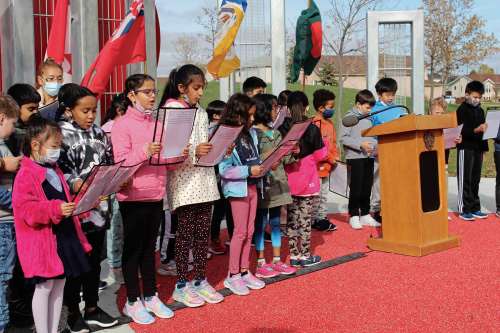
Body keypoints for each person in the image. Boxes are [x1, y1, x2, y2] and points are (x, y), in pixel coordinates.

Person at [112, 74, 181, 324]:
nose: (153, 96)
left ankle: (150, 295)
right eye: (147, 92)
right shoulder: (121, 125)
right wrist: (144, 151)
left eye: (154, 91)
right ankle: (132, 300)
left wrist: (177, 155)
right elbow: (120, 162)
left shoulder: (157, 124)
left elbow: (165, 162)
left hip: (156, 193)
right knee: (133, 250)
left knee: (149, 248)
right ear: (132, 95)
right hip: (133, 196)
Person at [12, 115, 91, 333]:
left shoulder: (54, 170)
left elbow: (64, 198)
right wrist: (54, 209)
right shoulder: (26, 174)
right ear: (35, 145)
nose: (58, 150)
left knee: (59, 285)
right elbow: (27, 210)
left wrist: (78, 208)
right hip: (42, 242)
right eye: (54, 145)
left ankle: (54, 329)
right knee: (45, 286)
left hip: (63, 236)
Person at [159, 64, 223, 307]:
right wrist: (194, 153)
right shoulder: (171, 110)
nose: (200, 93)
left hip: (204, 180)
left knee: (201, 234)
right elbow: (169, 150)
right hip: (184, 181)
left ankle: (200, 279)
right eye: (196, 88)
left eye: (202, 88)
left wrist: (218, 149)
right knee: (185, 234)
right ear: (181, 87)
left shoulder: (201, 111)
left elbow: (203, 143)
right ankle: (181, 285)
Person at [56, 84, 118, 331]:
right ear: (69, 110)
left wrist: (116, 178)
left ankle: (92, 307)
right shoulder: (59, 134)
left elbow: (109, 162)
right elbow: (57, 170)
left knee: (94, 264)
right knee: (75, 266)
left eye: (94, 110)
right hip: (74, 213)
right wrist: (75, 182)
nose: (91, 115)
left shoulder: (100, 132)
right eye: (85, 110)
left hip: (99, 210)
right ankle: (72, 312)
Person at [219, 93, 266, 295]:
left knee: (249, 231)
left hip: (253, 186)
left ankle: (245, 270)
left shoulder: (251, 133)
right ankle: (233, 275)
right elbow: (224, 169)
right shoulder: (226, 135)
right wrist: (248, 171)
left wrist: (262, 167)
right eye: (250, 115)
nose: (253, 119)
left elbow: (254, 159)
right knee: (239, 232)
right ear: (239, 114)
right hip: (238, 188)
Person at [280, 91, 327, 267]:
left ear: (288, 108)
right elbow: (320, 154)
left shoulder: (282, 128)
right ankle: (305, 254)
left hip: (289, 179)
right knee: (305, 219)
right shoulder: (312, 127)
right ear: (307, 107)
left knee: (292, 218)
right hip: (308, 180)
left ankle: (294, 254)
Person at [252, 94, 297, 278]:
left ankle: (277, 260)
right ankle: (261, 262)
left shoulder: (277, 132)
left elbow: (285, 159)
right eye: (273, 108)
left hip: (279, 183)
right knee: (261, 223)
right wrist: (268, 156)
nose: (276, 111)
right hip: (264, 185)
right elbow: (252, 160)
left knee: (276, 222)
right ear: (263, 110)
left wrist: (292, 151)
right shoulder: (254, 133)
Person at [340, 90, 381, 230]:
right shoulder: (348, 118)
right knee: (356, 188)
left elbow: (373, 137)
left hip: (369, 157)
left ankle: (364, 214)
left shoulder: (370, 118)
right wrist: (360, 145)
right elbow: (343, 138)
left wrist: (374, 147)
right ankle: (353, 215)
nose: (370, 110)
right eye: (367, 107)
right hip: (355, 157)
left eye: (371, 108)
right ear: (358, 104)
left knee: (366, 186)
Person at [370, 78, 407, 222]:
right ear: (379, 94)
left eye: (393, 94)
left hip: (398, 150)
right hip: (380, 150)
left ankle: (394, 207)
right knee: (379, 182)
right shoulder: (373, 110)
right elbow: (371, 131)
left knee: (395, 181)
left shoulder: (399, 109)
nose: (391, 97)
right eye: (387, 94)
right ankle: (377, 209)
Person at [0, 96, 22, 333]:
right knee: (2, 280)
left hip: (7, 221)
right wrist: (18, 202)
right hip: (3, 223)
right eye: (12, 123)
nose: (14, 129)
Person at [101, 93, 127, 285]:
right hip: (113, 185)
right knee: (115, 228)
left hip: (125, 183)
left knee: (123, 228)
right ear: (119, 110)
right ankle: (115, 267)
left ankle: (121, 265)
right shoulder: (108, 130)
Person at [456, 81, 488, 221]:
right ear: (467, 94)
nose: (477, 100)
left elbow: (483, 132)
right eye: (475, 97)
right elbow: (461, 130)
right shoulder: (461, 110)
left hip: (478, 149)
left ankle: (475, 207)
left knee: (476, 179)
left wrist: (484, 149)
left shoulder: (480, 110)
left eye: (479, 97)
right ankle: (464, 209)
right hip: (465, 148)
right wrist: (477, 130)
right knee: (465, 179)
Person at [206, 100, 233, 255]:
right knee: (219, 208)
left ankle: (226, 237)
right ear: (215, 115)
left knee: (225, 207)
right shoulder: (211, 130)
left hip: (224, 174)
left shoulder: (222, 129)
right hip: (216, 175)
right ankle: (215, 239)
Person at [312, 89, 338, 231]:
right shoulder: (315, 124)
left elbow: (333, 143)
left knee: (323, 194)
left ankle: (321, 217)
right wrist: (329, 158)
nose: (332, 110)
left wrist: (335, 157)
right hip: (317, 167)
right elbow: (318, 147)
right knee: (317, 195)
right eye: (330, 107)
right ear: (321, 108)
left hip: (328, 166)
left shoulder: (330, 123)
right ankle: (315, 219)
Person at [6, 84, 41, 156]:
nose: (36, 112)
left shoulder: (39, 125)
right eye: (31, 109)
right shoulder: (8, 135)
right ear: (15, 108)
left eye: (37, 108)